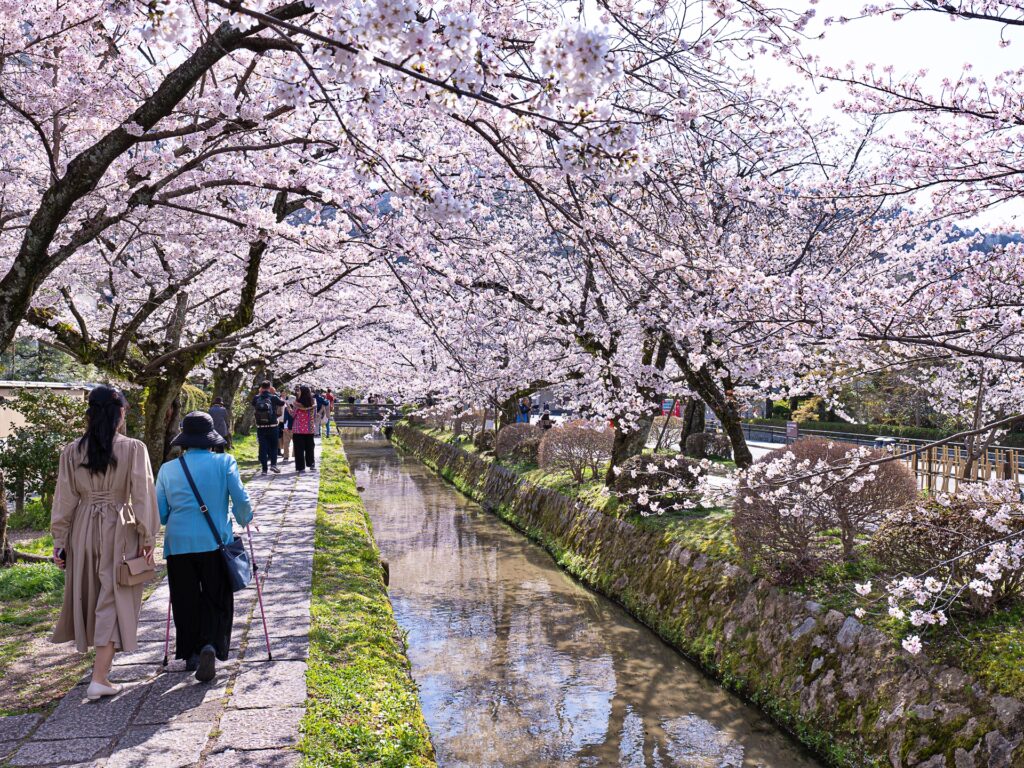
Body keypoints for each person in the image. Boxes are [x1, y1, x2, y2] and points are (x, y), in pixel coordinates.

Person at [50, 385, 159, 701]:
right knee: (115, 595)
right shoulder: (133, 448)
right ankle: (99, 677)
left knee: (93, 593)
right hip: (119, 527)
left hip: (82, 527)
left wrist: (60, 542)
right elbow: (142, 494)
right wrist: (148, 536)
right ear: (120, 412)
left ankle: (100, 673)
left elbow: (64, 499)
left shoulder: (72, 451)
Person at [157, 412, 253, 682]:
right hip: (215, 542)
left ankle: (191, 653)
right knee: (217, 596)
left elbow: (161, 512)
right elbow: (241, 500)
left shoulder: (168, 469)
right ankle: (211, 644)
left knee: (185, 598)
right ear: (211, 440)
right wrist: (245, 519)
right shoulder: (225, 462)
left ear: (184, 441)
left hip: (178, 544)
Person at [251, 380, 284, 475]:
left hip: (260, 426)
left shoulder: (257, 398)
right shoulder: (273, 397)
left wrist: (259, 393)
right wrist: (276, 394)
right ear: (269, 387)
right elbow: (281, 403)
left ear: (261, 387)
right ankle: (273, 464)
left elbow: (253, 404)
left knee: (263, 447)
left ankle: (264, 469)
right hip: (273, 426)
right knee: (274, 446)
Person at [289, 386, 317, 473]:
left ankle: (301, 467)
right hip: (309, 428)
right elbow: (314, 415)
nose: (298, 392)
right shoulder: (313, 403)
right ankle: (311, 464)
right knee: (310, 447)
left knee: (299, 448)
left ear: (302, 392)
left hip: (298, 429)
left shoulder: (296, 403)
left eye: (299, 391)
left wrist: (288, 408)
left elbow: (293, 415)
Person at [281, 392, 295, 461]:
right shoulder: (297, 409)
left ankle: (286, 456)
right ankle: (295, 455)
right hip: (296, 428)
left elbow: (285, 418)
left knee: (286, 443)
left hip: (288, 427)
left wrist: (285, 427)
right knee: (296, 442)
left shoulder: (286, 408)